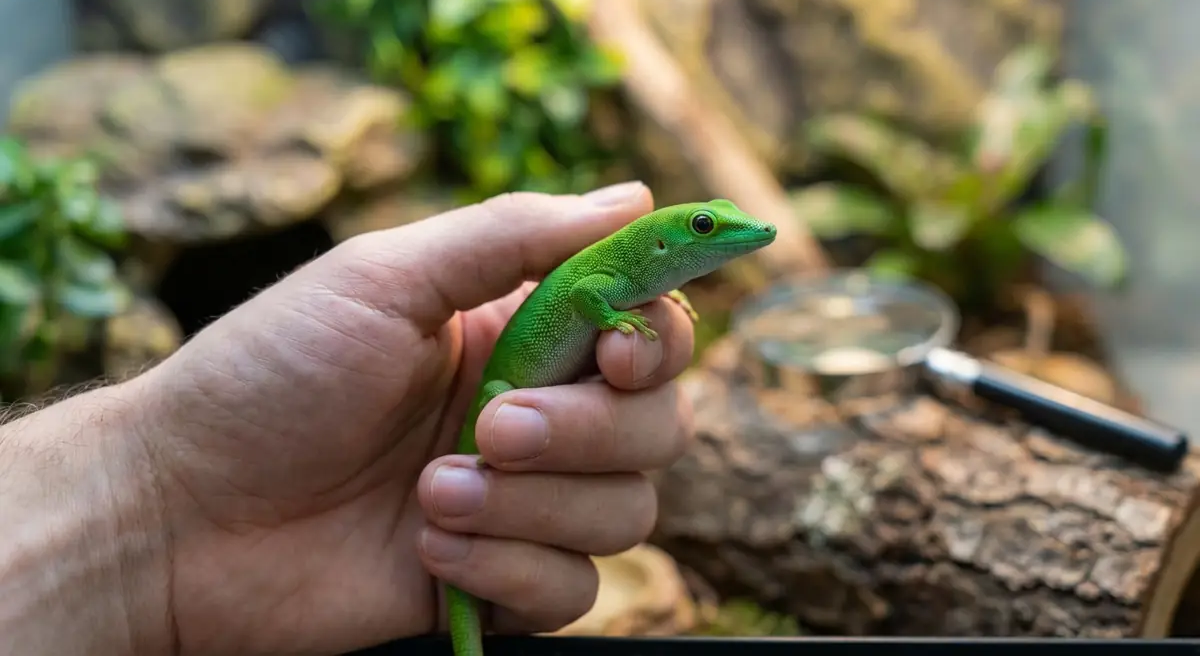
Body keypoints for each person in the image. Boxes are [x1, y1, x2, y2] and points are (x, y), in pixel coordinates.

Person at [0, 183, 697, 655]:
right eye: (705, 227)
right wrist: (156, 489)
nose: (743, 235)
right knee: (509, 442)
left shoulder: (639, 272)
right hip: (493, 408)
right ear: (661, 243)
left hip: (445, 458)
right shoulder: (610, 271)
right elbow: (591, 297)